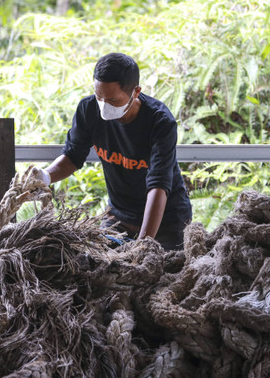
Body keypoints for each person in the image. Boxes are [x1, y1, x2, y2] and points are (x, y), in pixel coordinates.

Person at [33, 53, 192, 251]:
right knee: (95, 267)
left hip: (165, 222)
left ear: (136, 92)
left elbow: (158, 185)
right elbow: (73, 156)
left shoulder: (160, 122)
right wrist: (45, 177)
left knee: (161, 276)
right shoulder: (88, 110)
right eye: (99, 97)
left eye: (113, 101)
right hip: (118, 219)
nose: (103, 106)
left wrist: (143, 246)